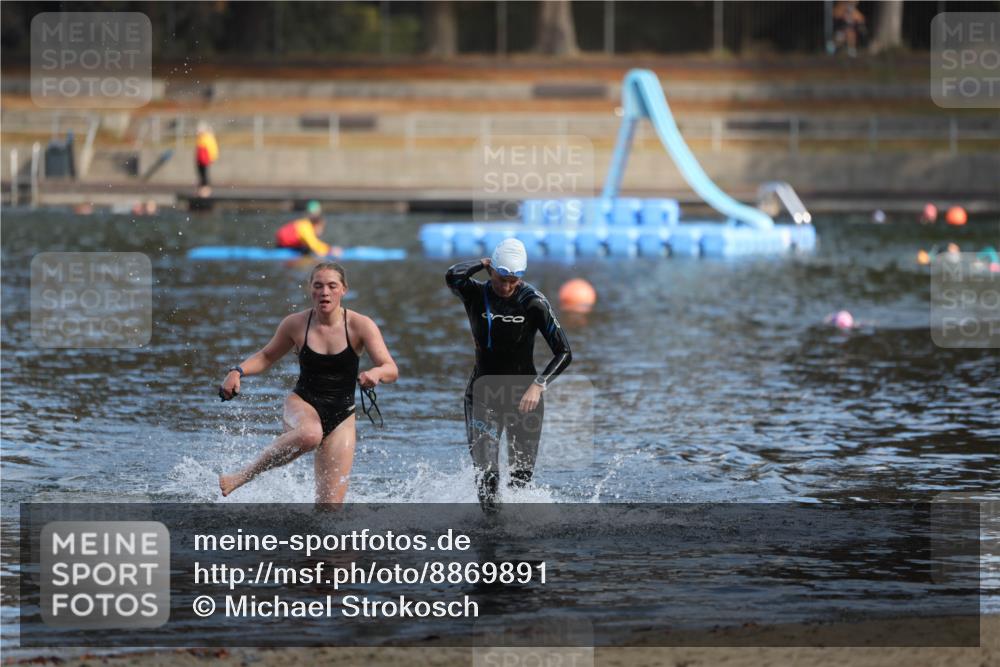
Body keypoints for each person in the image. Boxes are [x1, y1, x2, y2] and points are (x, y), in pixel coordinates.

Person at [218, 262, 398, 504]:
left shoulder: (360, 325)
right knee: (311, 434)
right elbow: (266, 356)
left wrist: (376, 373)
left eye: (332, 286)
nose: (325, 292)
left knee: (329, 509)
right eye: (318, 286)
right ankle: (241, 476)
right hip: (302, 404)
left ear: (343, 289)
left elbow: (391, 368)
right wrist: (237, 371)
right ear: (310, 290)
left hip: (342, 417)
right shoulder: (296, 323)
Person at [446, 239, 572, 511]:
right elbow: (452, 275)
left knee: (521, 478)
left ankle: (514, 540)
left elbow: (564, 352)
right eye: (501, 279)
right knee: (487, 475)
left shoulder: (533, 302)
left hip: (524, 397)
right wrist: (481, 263)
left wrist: (539, 385)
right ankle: (490, 536)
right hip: (483, 395)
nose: (506, 287)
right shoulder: (475, 294)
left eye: (513, 281)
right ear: (491, 271)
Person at [275, 201, 342, 257]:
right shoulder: (305, 227)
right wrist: (331, 250)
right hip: (284, 246)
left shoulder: (306, 224)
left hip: (287, 245)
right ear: (316, 225)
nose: (322, 231)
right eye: (322, 227)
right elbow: (314, 245)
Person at [195, 122, 218, 197]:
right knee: (201, 174)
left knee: (204, 174)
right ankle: (203, 190)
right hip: (200, 158)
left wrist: (212, 158)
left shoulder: (207, 138)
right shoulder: (201, 138)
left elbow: (213, 149)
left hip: (204, 159)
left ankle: (206, 191)